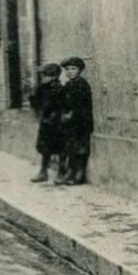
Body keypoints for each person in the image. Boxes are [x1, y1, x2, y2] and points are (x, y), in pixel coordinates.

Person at [54, 57, 94, 186]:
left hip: (81, 123)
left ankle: (79, 175)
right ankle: (70, 173)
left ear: (80, 70)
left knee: (80, 149)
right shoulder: (68, 85)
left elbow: (82, 105)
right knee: (70, 148)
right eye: (68, 69)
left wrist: (71, 114)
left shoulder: (82, 85)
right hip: (69, 123)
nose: (70, 72)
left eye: (73, 69)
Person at [30, 63, 65, 183]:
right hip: (46, 122)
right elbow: (36, 104)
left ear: (55, 76)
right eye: (43, 75)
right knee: (45, 149)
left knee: (60, 149)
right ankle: (43, 172)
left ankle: (61, 173)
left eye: (47, 76)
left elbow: (61, 106)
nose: (44, 78)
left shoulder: (59, 88)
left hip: (57, 123)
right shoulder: (42, 88)